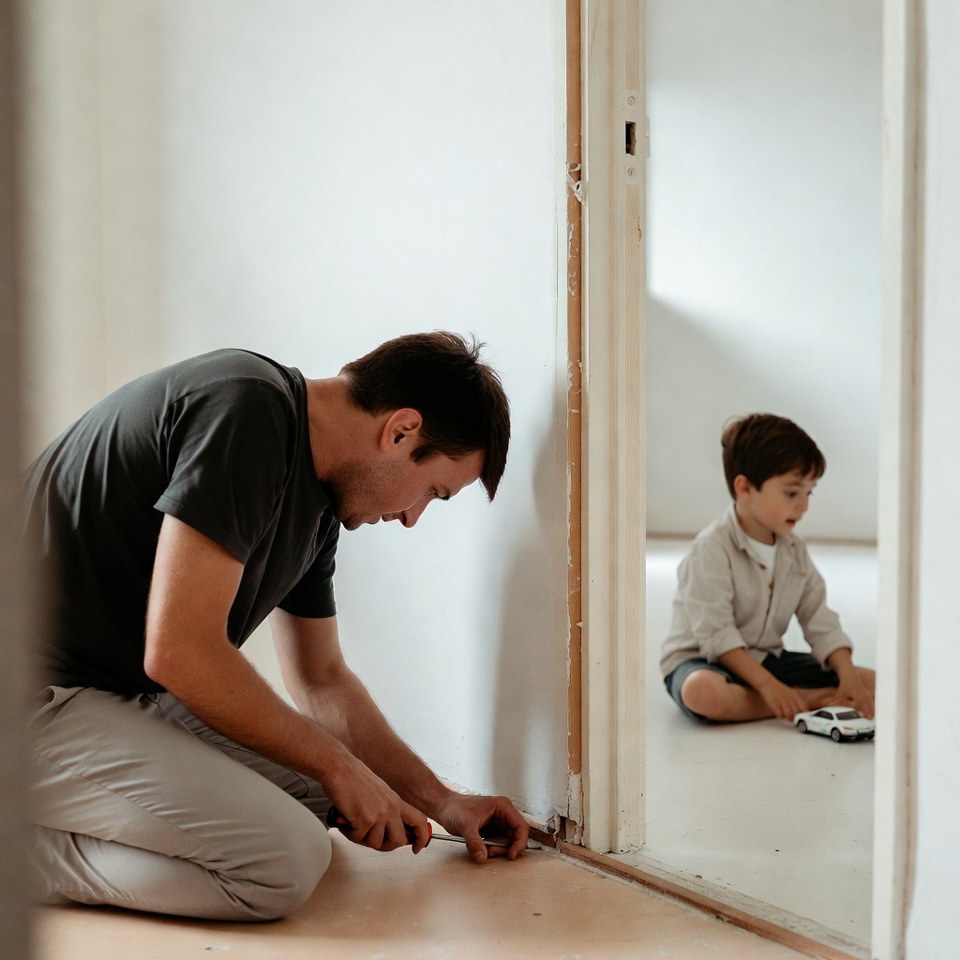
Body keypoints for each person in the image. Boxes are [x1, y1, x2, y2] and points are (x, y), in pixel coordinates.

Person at [23, 331, 529, 921]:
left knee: (322, 794)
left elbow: (322, 679)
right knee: (282, 861)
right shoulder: (243, 410)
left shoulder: (320, 503)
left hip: (109, 691)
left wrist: (441, 800)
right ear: (401, 430)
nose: (412, 518)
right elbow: (181, 653)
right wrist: (340, 766)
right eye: (433, 493)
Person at [660, 413, 876, 725]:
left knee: (872, 681)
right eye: (792, 493)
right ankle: (802, 699)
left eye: (809, 492)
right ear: (745, 488)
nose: (804, 505)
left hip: (766, 659)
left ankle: (780, 698)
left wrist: (848, 676)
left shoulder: (794, 551)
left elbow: (820, 620)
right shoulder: (710, 548)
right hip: (705, 661)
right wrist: (769, 686)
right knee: (704, 693)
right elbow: (717, 636)